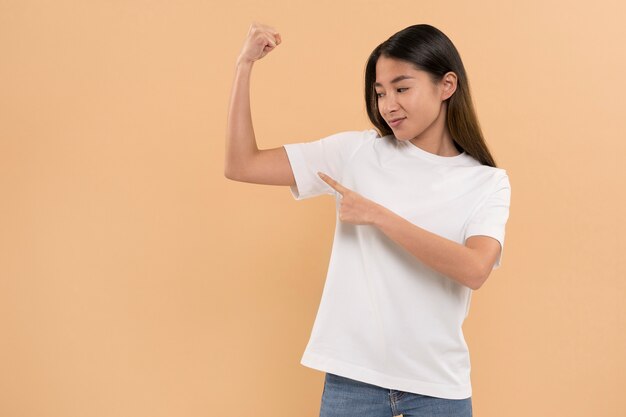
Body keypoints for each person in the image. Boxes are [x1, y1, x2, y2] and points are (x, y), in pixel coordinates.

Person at [225, 21, 511, 417]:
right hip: (352, 385)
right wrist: (244, 66)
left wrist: (378, 216)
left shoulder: (486, 182)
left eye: (401, 88)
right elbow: (242, 164)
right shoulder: (356, 154)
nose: (388, 105)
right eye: (380, 93)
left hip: (438, 391)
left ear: (447, 85)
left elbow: (475, 269)